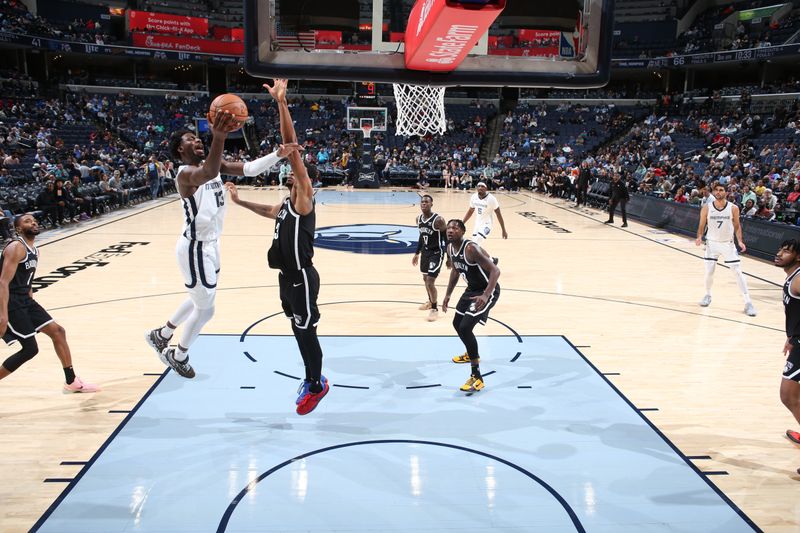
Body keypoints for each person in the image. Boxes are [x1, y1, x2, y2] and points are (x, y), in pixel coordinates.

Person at [146, 106, 301, 377]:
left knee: (200, 299)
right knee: (206, 310)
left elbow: (250, 170)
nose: (196, 141)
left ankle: (162, 333)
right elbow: (205, 174)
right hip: (194, 247)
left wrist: (278, 154)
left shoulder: (214, 167)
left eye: (197, 138)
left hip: (210, 246)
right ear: (180, 151)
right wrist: (219, 135)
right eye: (189, 140)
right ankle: (178, 353)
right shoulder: (185, 174)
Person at [225, 79, 329, 416]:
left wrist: (281, 103)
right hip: (286, 278)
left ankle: (316, 384)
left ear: (304, 179)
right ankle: (310, 377)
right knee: (297, 330)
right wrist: (240, 202)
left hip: (301, 276)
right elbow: (268, 211)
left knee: (306, 332)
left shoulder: (303, 200)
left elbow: (291, 145)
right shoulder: (285, 204)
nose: (290, 170)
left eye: (296, 171)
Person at [0, 214, 99, 392]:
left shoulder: (35, 250)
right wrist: (3, 314)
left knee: (58, 331)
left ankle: (71, 382)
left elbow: (27, 280)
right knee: (30, 349)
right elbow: (3, 282)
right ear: (18, 229)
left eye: (34, 220)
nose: (33, 222)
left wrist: (32, 303)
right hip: (11, 302)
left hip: (25, 300)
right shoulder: (16, 247)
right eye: (27, 221)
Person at [442, 219, 501, 393]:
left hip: (486, 290)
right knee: (456, 324)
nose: (450, 230)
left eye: (455, 228)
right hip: (471, 289)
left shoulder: (471, 248)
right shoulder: (450, 248)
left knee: (466, 327)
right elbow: (455, 269)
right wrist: (448, 294)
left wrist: (485, 294)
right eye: (449, 228)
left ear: (462, 231)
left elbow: (495, 271)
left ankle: (477, 376)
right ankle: (471, 352)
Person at [695, 183, 757, 316]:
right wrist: (699, 236)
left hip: (727, 244)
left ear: (726, 192)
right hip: (711, 244)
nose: (718, 192)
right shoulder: (706, 207)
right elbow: (701, 224)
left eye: (721, 190)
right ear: (713, 192)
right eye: (716, 190)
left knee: (737, 272)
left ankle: (748, 302)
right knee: (709, 272)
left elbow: (737, 226)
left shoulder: (733, 208)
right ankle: (707, 295)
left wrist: (740, 241)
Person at [774, 240, 800, 467]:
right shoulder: (792, 276)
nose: (780, 253)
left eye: (787, 251)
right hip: (798, 341)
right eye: (781, 249)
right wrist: (792, 336)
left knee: (789, 396)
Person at [412, 194, 447, 321]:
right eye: (422, 202)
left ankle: (434, 308)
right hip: (425, 253)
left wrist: (449, 258)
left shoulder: (439, 220)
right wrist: (417, 253)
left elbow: (446, 238)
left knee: (430, 282)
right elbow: (422, 236)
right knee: (425, 279)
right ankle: (430, 301)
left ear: (432, 204)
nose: (424, 204)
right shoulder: (418, 219)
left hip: (436, 253)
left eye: (426, 202)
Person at [462, 181, 508, 247]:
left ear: (486, 188)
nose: (480, 188)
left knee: (478, 240)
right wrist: (462, 223)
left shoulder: (491, 199)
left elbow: (498, 214)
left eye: (482, 186)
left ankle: (479, 257)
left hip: (487, 224)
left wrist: (503, 230)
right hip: (477, 223)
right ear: (476, 188)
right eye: (479, 186)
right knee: (474, 243)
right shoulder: (474, 197)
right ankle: (485, 257)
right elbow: (470, 211)